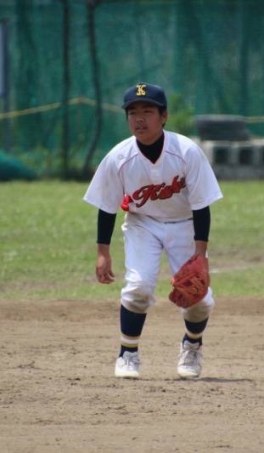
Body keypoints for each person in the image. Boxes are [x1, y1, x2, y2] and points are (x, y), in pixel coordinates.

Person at [83, 82, 223, 379]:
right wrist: (102, 253)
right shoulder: (119, 157)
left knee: (199, 298)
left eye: (147, 111)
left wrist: (201, 256)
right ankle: (128, 353)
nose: (139, 118)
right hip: (142, 224)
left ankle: (192, 345)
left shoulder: (186, 152)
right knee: (138, 286)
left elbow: (201, 206)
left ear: (164, 116)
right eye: (133, 112)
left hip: (185, 223)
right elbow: (107, 206)